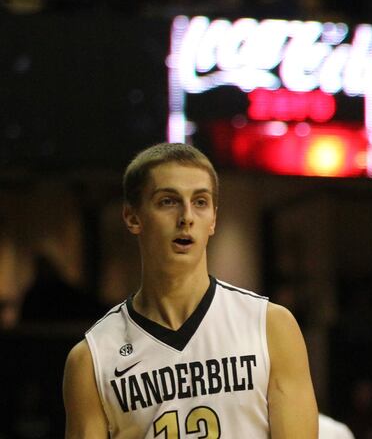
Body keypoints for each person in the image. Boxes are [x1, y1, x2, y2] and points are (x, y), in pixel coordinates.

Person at [63, 143, 318, 438]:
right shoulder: (92, 359)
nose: (186, 217)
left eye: (200, 202)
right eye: (168, 201)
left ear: (213, 220)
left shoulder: (270, 326)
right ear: (133, 218)